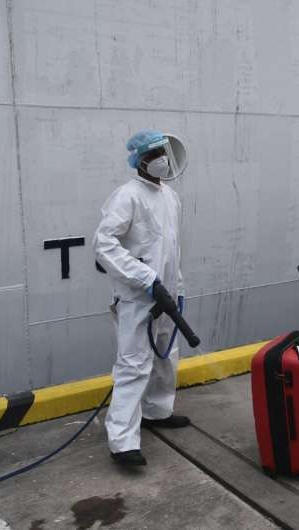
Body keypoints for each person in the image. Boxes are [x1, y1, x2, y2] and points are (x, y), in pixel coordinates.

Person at [93, 129, 190, 467]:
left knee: (166, 357)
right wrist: (146, 279)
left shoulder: (170, 197)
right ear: (139, 161)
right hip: (138, 298)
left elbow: (171, 249)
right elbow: (104, 245)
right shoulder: (127, 196)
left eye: (162, 153)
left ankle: (157, 412)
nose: (161, 160)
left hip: (168, 296)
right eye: (153, 155)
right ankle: (122, 442)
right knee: (133, 365)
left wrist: (176, 289)